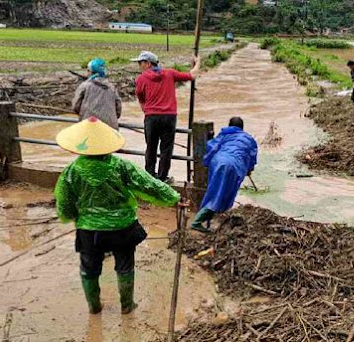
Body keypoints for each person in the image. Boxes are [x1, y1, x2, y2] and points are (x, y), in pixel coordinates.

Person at [54, 117, 179, 315]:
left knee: (89, 268)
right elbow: (149, 183)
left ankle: (94, 307)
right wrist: (174, 198)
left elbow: (64, 202)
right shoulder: (121, 166)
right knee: (125, 266)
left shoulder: (71, 172)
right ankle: (127, 306)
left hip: (89, 230)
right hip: (123, 228)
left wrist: (73, 216)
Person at [132, 51, 200, 182]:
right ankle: (162, 178)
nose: (139, 65)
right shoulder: (170, 73)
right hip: (169, 117)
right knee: (166, 149)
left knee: (151, 147)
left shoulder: (141, 78)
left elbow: (140, 97)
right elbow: (191, 75)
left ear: (148, 63)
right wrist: (198, 63)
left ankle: (150, 176)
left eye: (141, 63)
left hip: (151, 116)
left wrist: (145, 110)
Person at [190, 117, 258, 233]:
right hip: (234, 165)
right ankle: (197, 222)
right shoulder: (249, 139)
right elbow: (252, 156)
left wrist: (206, 162)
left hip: (217, 162)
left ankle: (208, 220)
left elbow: (212, 147)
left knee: (214, 191)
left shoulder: (225, 134)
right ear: (242, 128)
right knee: (223, 194)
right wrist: (249, 169)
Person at [72, 58, 122, 130]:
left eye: (88, 70)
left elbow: (75, 106)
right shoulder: (111, 87)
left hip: (89, 125)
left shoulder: (84, 86)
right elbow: (118, 108)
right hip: (109, 128)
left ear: (91, 71)